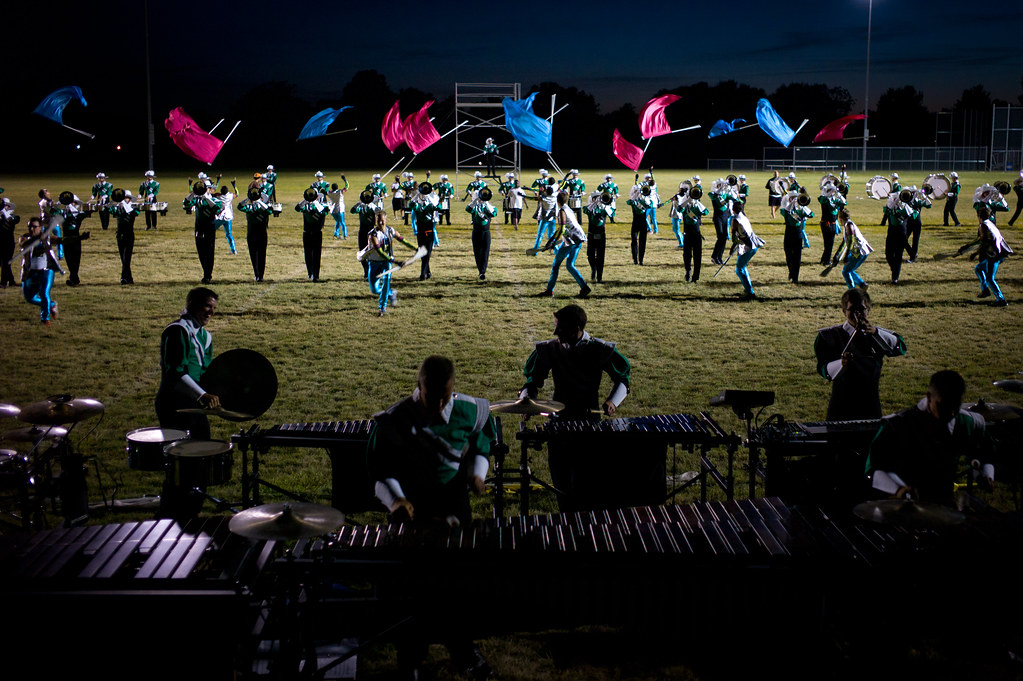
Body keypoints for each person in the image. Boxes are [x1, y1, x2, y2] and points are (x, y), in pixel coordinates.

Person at [365, 355, 495, 681]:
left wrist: (478, 474)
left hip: (454, 506)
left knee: (458, 582)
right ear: (418, 385)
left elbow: (482, 446)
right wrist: (395, 500)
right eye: (431, 395)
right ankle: (410, 657)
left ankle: (464, 650)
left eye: (445, 396)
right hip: (411, 508)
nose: (439, 404)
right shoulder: (395, 419)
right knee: (412, 586)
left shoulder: (470, 410)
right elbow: (380, 470)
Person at [520, 305, 633, 510]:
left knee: (587, 481)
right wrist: (527, 401)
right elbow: (532, 381)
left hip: (589, 422)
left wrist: (612, 401)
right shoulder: (550, 348)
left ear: (577, 329)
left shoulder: (600, 349)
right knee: (561, 482)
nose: (555, 334)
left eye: (560, 329)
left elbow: (623, 379)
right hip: (559, 422)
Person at [866, 370, 995, 505]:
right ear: (928, 397)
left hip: (943, 505)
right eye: (943, 405)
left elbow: (986, 454)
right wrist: (898, 489)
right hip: (904, 506)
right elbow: (875, 468)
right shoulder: (897, 424)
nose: (950, 413)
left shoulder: (967, 423)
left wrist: (986, 475)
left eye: (955, 406)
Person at [155, 287, 222, 520]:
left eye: (213, 308)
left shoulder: (205, 336)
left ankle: (190, 513)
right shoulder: (176, 331)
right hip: (174, 403)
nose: (210, 312)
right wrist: (201, 395)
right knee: (179, 463)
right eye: (207, 307)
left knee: (200, 460)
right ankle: (169, 515)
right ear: (192, 304)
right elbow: (175, 372)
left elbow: (205, 374)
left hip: (194, 405)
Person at [813, 288, 907, 421]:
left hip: (870, 403)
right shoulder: (828, 336)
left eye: (861, 309)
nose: (858, 313)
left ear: (868, 310)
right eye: (852, 309)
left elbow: (900, 348)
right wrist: (841, 363)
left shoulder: (878, 335)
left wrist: (875, 333)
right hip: (841, 404)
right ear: (844, 311)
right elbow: (823, 369)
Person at [535, 192, 590, 299]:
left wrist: (553, 242)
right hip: (579, 237)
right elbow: (561, 229)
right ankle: (584, 287)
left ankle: (549, 290)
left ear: (557, 200)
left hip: (571, 239)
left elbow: (562, 229)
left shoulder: (561, 211)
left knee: (556, 265)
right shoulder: (567, 208)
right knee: (570, 265)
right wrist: (551, 240)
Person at [363, 211, 415, 315]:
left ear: (386, 220)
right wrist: (395, 261)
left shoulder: (391, 230)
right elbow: (379, 251)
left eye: (382, 220)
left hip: (386, 263)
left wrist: (416, 248)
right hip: (374, 263)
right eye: (378, 220)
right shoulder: (373, 234)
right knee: (374, 289)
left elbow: (403, 240)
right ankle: (391, 293)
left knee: (386, 281)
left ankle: (382, 307)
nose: (380, 223)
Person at [959, 205, 1012, 307]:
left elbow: (984, 242)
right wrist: (966, 247)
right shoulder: (990, 224)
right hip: (999, 253)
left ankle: (1001, 300)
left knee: (990, 278)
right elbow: (981, 239)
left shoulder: (983, 225)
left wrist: (974, 253)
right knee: (978, 268)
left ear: (979, 216)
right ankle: (985, 290)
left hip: (995, 255)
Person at [17, 217, 62, 325]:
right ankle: (51, 305)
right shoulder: (24, 237)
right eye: (30, 227)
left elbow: (60, 240)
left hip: (46, 270)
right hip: (30, 271)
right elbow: (23, 244)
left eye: (34, 227)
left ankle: (45, 318)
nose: (32, 229)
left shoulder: (46, 238)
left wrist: (80, 238)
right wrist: (37, 238)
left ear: (40, 228)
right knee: (30, 298)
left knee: (44, 293)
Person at [182, 181, 223, 284]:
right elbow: (186, 204)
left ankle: (207, 275)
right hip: (199, 227)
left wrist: (206, 197)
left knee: (209, 251)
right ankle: (206, 271)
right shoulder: (196, 199)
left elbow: (217, 208)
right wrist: (193, 193)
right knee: (201, 251)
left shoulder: (214, 200)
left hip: (209, 226)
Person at [51, 191, 92, 286]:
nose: (72, 204)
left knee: (76, 260)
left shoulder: (79, 214)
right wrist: (59, 202)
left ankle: (74, 278)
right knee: (69, 260)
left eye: (74, 203)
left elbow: (89, 212)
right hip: (66, 239)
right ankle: (74, 278)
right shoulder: (62, 213)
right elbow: (52, 211)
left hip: (76, 239)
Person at [727, 201, 764, 300]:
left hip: (748, 246)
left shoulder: (735, 220)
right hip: (753, 244)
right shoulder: (744, 217)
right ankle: (748, 290)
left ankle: (750, 293)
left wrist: (732, 248)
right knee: (743, 268)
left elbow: (735, 237)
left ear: (733, 209)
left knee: (739, 270)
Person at [830, 208, 872, 289]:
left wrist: (846, 256)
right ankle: (862, 285)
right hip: (860, 251)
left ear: (841, 218)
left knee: (846, 271)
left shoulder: (849, 226)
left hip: (859, 252)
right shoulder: (847, 225)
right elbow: (844, 241)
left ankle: (852, 290)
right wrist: (837, 254)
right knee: (849, 270)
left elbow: (850, 241)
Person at [238, 186, 273, 282]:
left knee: (262, 255)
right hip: (251, 233)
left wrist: (259, 202)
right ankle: (256, 274)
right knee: (253, 254)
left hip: (262, 233)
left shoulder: (264, 208)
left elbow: (270, 211)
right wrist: (249, 198)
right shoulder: (249, 207)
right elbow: (239, 206)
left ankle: (261, 275)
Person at [295, 187, 330, 282]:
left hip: (317, 233)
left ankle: (316, 275)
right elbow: (297, 208)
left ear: (318, 196)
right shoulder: (305, 205)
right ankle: (310, 273)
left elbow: (325, 211)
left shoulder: (321, 205)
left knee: (316, 254)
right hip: (306, 232)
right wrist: (305, 199)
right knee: (308, 254)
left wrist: (315, 202)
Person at [106, 189, 140, 285]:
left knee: (126, 258)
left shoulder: (134, 209)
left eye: (127, 198)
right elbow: (107, 208)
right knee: (123, 258)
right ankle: (129, 279)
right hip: (119, 235)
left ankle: (123, 277)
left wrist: (123, 205)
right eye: (124, 198)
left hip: (129, 235)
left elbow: (135, 213)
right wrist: (113, 200)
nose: (126, 200)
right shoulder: (118, 208)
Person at [883, 190, 917, 285]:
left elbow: (914, 215)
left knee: (898, 255)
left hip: (901, 232)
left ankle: (895, 278)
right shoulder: (891, 204)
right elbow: (887, 210)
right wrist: (894, 200)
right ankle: (894, 269)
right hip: (891, 231)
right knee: (888, 254)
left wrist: (907, 208)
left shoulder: (906, 207)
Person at [781, 191, 814, 283]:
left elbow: (811, 215)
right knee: (787, 252)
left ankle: (795, 277)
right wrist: (791, 205)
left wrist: (803, 207)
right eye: (792, 198)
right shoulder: (787, 209)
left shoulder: (802, 209)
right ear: (789, 199)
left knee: (797, 255)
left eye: (796, 198)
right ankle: (791, 271)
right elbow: (783, 211)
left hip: (797, 232)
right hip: (788, 232)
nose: (795, 199)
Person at [466, 187, 497, 281]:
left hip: (486, 233)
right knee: (477, 252)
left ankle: (482, 271)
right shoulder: (475, 207)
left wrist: (486, 202)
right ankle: (480, 270)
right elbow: (468, 209)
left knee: (485, 252)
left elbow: (493, 213)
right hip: (476, 232)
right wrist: (475, 200)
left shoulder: (490, 206)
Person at [680, 187, 708, 283]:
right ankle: (688, 270)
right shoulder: (685, 207)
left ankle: (695, 277)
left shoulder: (698, 206)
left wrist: (697, 202)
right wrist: (687, 200)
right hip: (687, 233)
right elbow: (679, 209)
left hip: (697, 234)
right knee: (686, 255)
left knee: (697, 256)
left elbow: (706, 212)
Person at [583, 191, 612, 283]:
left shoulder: (604, 208)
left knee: (601, 256)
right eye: (594, 198)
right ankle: (593, 268)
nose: (596, 199)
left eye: (598, 197)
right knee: (590, 255)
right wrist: (593, 204)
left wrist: (604, 206)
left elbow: (612, 214)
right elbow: (585, 210)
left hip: (601, 234)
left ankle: (599, 277)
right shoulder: (589, 208)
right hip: (591, 234)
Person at [352, 190, 380, 278]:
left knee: (372, 251)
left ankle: (371, 271)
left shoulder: (373, 207)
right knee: (362, 251)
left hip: (371, 231)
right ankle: (365, 270)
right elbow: (352, 210)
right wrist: (359, 202)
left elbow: (379, 213)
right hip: (362, 231)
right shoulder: (361, 207)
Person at [818, 183, 847, 265]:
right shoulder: (824, 199)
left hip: (833, 223)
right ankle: (826, 260)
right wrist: (828, 194)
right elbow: (824, 201)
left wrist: (839, 194)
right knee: (828, 243)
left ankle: (824, 259)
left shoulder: (835, 199)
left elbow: (844, 203)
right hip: (826, 223)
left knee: (830, 243)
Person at [626, 184, 654, 265]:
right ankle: (635, 260)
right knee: (634, 241)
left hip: (643, 224)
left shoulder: (646, 200)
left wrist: (645, 199)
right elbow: (628, 202)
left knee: (643, 242)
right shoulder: (634, 200)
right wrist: (635, 195)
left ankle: (641, 260)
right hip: (635, 223)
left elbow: (650, 205)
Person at [904, 185, 932, 263]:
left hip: (916, 222)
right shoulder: (906, 199)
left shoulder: (917, 200)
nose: (912, 193)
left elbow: (929, 205)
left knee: (915, 240)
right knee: (903, 239)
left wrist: (924, 197)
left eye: (913, 192)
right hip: (909, 222)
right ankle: (912, 254)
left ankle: (912, 257)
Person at [708, 178, 731, 265]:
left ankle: (720, 257)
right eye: (719, 185)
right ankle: (714, 256)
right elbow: (716, 196)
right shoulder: (712, 194)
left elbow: (734, 198)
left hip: (725, 217)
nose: (721, 186)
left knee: (724, 237)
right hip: (717, 218)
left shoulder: (725, 194)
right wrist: (722, 187)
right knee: (720, 237)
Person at [531, 181, 558, 252]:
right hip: (553, 218)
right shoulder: (555, 196)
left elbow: (535, 198)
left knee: (540, 234)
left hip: (545, 219)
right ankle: (556, 250)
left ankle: (535, 249)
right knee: (552, 235)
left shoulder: (544, 199)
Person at [0, 198, 19, 288]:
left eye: (7, 206)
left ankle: (4, 282)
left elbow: (15, 220)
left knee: (5, 262)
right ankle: (11, 281)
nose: (5, 207)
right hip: (3, 242)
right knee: (5, 263)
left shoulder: (11, 216)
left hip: (8, 242)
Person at [214, 186, 238, 255]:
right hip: (228, 217)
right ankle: (233, 250)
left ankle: (208, 247)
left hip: (220, 217)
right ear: (227, 191)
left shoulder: (219, 197)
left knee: (210, 231)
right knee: (228, 234)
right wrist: (234, 186)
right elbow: (237, 193)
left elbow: (211, 195)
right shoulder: (230, 196)